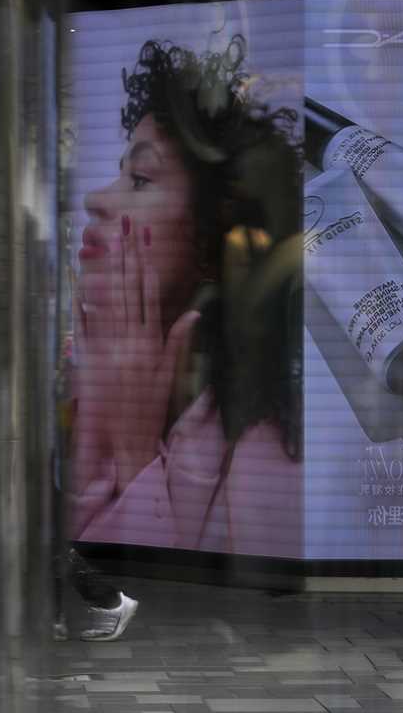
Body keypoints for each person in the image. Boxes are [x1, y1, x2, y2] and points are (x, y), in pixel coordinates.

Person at [72, 35, 304, 558]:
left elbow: (154, 588)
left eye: (140, 178)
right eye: (119, 173)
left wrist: (134, 451)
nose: (94, 198)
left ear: (210, 234)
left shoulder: (269, 439)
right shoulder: (103, 382)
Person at [0, 263, 139, 643]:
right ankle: (71, 611)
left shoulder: (13, 332)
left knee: (30, 539)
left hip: (17, 451)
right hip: (20, 448)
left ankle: (107, 601)